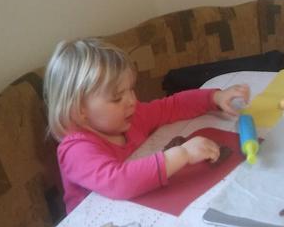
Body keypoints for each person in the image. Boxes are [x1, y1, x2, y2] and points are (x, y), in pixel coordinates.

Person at [43, 38, 250, 213]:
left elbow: (172, 106)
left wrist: (214, 98)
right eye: (117, 98)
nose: (132, 101)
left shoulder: (131, 117)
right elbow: (119, 182)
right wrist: (183, 154)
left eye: (130, 90)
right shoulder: (76, 150)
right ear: (80, 110)